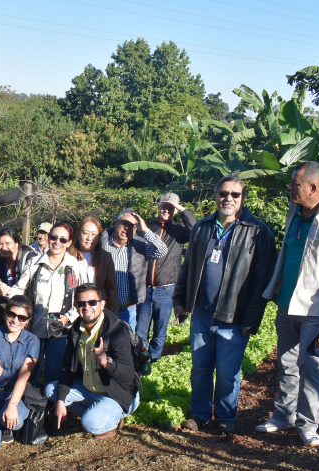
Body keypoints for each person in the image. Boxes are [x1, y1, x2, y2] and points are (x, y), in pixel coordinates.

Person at [255, 161, 319, 447]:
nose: (290, 188)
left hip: (318, 307)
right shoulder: (295, 211)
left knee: (312, 365)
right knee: (287, 363)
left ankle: (308, 425)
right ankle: (283, 416)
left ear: (313, 187)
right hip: (287, 303)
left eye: (295, 184)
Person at [174, 174, 276, 434]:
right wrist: (180, 300)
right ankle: (199, 414)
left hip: (234, 318)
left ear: (243, 198)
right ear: (216, 195)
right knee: (200, 369)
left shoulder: (258, 231)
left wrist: (251, 320)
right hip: (202, 314)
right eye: (223, 193)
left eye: (234, 194)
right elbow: (188, 267)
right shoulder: (203, 227)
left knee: (228, 374)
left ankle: (225, 418)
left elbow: (262, 280)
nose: (228, 198)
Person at [45, 284, 141, 440]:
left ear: (102, 304)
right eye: (81, 303)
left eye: (92, 302)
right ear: (76, 307)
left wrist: (106, 362)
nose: (86, 307)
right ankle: (98, 412)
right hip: (89, 389)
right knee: (51, 390)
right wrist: (61, 400)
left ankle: (112, 419)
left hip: (117, 394)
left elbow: (128, 376)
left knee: (90, 424)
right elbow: (66, 367)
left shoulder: (117, 332)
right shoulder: (75, 331)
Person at [2, 223, 84, 385]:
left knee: (53, 372)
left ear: (69, 242)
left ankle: (51, 405)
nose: (57, 242)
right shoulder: (34, 263)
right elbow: (21, 289)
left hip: (61, 326)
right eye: (53, 237)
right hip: (36, 324)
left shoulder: (75, 267)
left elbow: (81, 300)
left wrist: (67, 318)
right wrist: (7, 291)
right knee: (29, 371)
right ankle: (28, 404)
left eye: (63, 239)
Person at [137, 193, 197, 364]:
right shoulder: (147, 228)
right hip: (145, 288)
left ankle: (154, 358)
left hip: (166, 289)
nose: (166, 210)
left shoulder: (179, 230)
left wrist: (182, 210)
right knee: (141, 329)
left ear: (175, 210)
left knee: (160, 329)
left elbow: (196, 230)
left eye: (170, 207)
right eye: (164, 205)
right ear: (158, 206)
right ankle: (140, 358)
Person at [0, 295, 40, 452]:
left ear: (28, 320)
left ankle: (8, 425)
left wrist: (12, 404)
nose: (15, 320)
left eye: (22, 317)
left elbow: (23, 377)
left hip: (15, 393)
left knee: (13, 421)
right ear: (5, 314)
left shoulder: (32, 341)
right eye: (12, 314)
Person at [101, 209, 168, 330]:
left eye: (133, 226)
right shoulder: (102, 243)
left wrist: (145, 230)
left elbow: (162, 250)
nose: (127, 228)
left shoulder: (139, 246)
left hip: (127, 311)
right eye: (125, 223)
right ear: (116, 223)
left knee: (125, 346)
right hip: (102, 310)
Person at [74, 216, 119, 312]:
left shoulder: (105, 257)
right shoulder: (68, 256)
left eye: (94, 234)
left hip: (96, 311)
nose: (89, 238)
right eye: (85, 233)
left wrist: (113, 317)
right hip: (73, 311)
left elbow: (112, 290)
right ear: (78, 234)